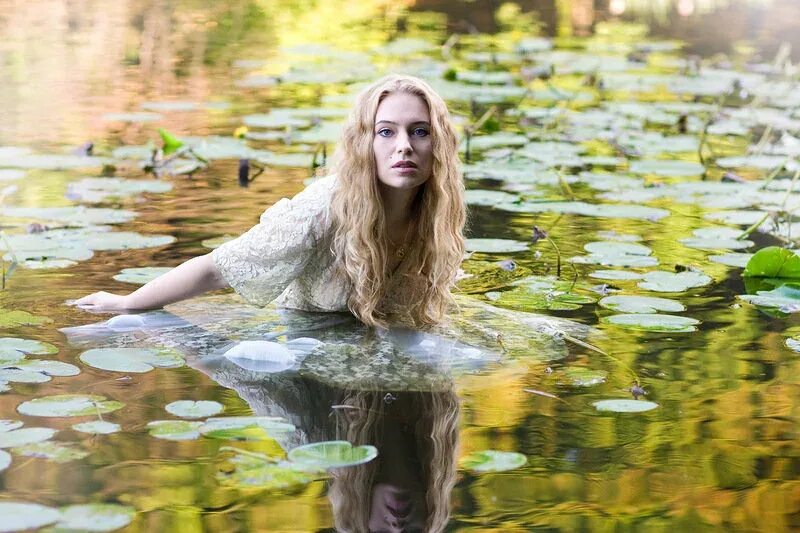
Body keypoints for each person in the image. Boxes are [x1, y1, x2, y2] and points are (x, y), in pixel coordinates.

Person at [72, 74, 466, 328]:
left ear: (439, 144)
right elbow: (217, 269)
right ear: (364, 143)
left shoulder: (435, 212)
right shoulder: (323, 209)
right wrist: (126, 304)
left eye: (419, 132)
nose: (404, 147)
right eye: (386, 132)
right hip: (300, 345)